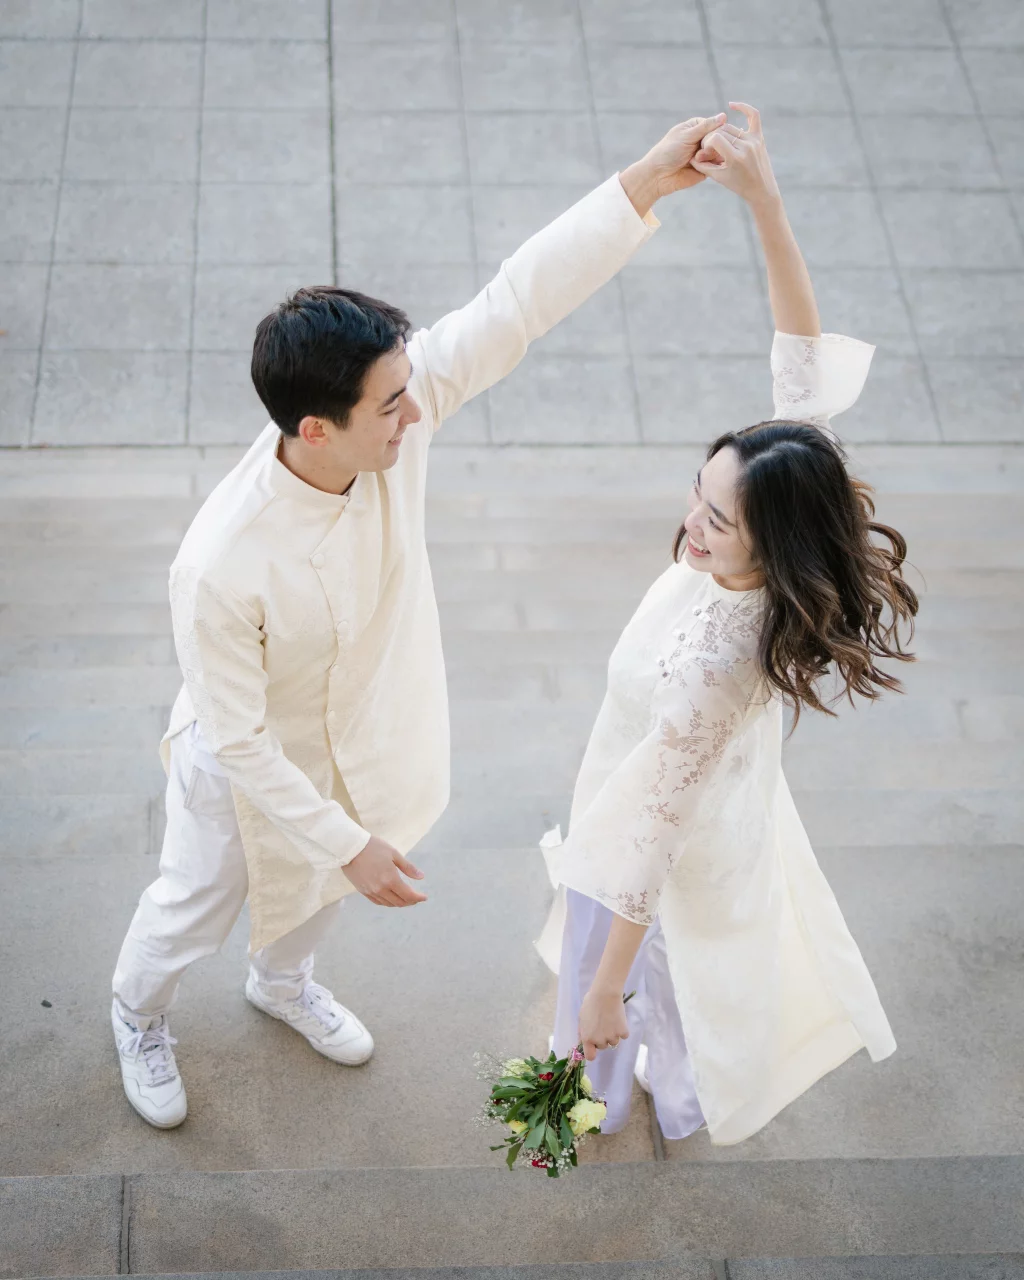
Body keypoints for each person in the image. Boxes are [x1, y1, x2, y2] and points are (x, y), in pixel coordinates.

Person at [110, 112, 740, 1130]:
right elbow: (237, 737)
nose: (416, 414)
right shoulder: (219, 563)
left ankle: (280, 983)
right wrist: (347, 839)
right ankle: (136, 1014)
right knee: (189, 907)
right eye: (391, 406)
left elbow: (515, 301)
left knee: (315, 899)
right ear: (317, 427)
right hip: (242, 768)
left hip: (355, 737)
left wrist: (643, 184)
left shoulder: (397, 407)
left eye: (410, 391)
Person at [536, 104, 918, 1146]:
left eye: (715, 519)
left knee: (629, 979)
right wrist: (764, 201)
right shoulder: (792, 484)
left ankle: (602, 1090)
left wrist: (602, 985)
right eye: (697, 495)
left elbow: (644, 843)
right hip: (701, 800)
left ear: (774, 544)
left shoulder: (716, 659)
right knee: (681, 970)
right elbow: (798, 347)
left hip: (669, 829)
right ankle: (647, 1072)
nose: (690, 525)